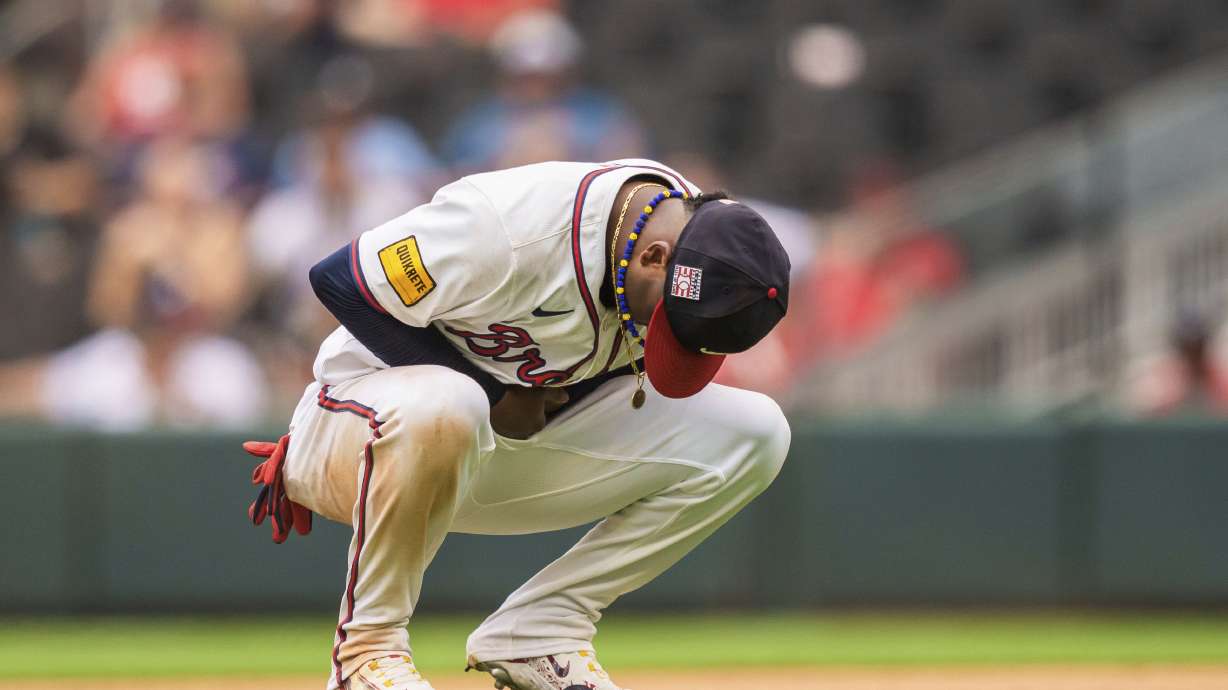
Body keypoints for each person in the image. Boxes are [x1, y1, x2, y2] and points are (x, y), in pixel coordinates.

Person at [243, 159, 792, 690]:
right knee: (451, 400)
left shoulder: (696, 244)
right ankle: (367, 655)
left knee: (758, 433)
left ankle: (539, 633)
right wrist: (498, 393)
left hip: (490, 451)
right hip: (358, 430)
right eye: (666, 320)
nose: (659, 334)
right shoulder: (510, 228)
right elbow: (340, 279)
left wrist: (526, 399)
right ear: (652, 256)